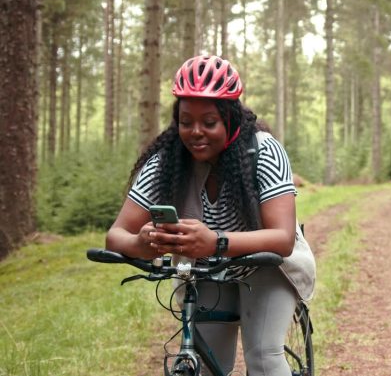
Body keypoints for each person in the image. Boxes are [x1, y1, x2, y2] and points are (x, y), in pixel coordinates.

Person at [106, 55, 315, 376]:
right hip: (206, 271)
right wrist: (143, 241)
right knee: (205, 365)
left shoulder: (264, 151)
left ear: (231, 119)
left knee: (263, 359)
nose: (195, 132)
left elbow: (282, 239)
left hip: (267, 265)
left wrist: (214, 241)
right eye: (186, 121)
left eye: (209, 122)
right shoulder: (166, 161)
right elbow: (116, 235)